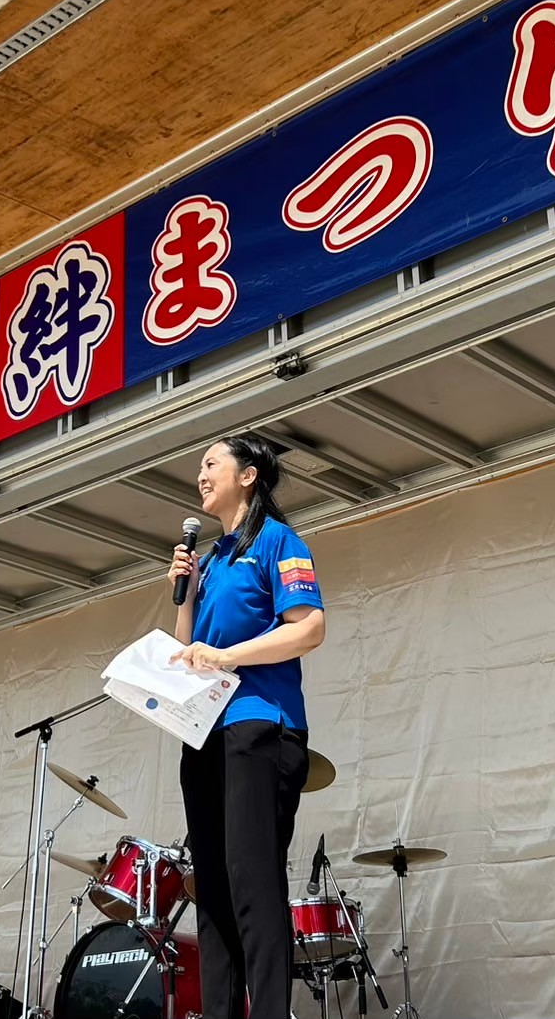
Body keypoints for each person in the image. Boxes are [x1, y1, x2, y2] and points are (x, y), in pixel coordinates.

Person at [166, 433, 326, 1019]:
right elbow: (188, 650)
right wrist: (181, 597)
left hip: (260, 727)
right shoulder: (208, 561)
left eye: (211, 463)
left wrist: (230, 656)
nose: (201, 475)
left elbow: (309, 628)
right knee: (212, 888)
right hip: (206, 732)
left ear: (249, 475)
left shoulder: (278, 542)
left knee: (252, 882)